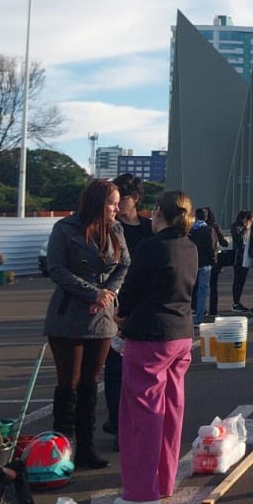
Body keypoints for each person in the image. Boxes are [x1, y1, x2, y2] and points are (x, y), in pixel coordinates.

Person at [113, 190, 199, 504]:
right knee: (172, 409)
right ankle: (164, 481)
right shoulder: (190, 246)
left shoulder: (151, 247)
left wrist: (120, 315)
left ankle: (141, 492)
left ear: (158, 213)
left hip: (150, 336)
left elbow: (131, 290)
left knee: (142, 414)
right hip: (181, 334)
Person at [44, 179, 129, 469]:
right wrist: (92, 293)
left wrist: (108, 294)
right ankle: (61, 451)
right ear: (97, 203)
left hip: (102, 316)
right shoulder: (64, 229)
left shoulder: (116, 230)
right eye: (112, 203)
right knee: (69, 384)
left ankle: (86, 449)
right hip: (68, 314)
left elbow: (124, 264)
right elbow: (56, 269)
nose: (117, 208)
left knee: (91, 384)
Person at [102, 173, 150, 445]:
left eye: (124, 198)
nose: (118, 204)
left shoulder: (149, 228)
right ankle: (118, 424)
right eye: (115, 198)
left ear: (137, 198)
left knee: (141, 370)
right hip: (114, 304)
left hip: (143, 305)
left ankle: (137, 423)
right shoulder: (107, 227)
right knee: (115, 368)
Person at [188, 207, 219, 326]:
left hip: (192, 263)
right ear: (206, 218)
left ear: (196, 216)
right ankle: (198, 318)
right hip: (205, 264)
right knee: (202, 292)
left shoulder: (190, 230)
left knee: (189, 290)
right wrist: (214, 261)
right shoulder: (209, 230)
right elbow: (212, 248)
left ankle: (188, 315)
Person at [230, 210, 253, 311]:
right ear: (245, 219)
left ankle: (237, 301)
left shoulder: (249, 227)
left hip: (246, 255)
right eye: (250, 220)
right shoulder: (236, 227)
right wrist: (246, 228)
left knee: (242, 280)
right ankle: (236, 302)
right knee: (238, 280)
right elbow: (240, 240)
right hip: (239, 256)